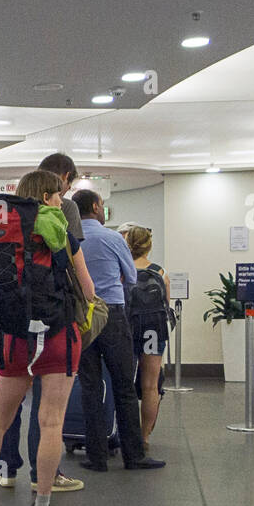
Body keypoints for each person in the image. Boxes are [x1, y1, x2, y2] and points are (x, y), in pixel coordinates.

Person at [0, 170, 93, 506]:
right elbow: (87, 287)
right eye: (58, 195)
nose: (60, 201)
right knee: (51, 422)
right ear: (49, 195)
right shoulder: (53, 221)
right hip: (57, 335)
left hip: (13, 335)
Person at [71, 189, 165, 472]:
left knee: (90, 386)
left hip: (82, 318)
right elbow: (132, 277)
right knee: (124, 386)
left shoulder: (69, 240)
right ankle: (134, 455)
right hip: (112, 315)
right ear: (97, 207)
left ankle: (96, 456)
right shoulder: (113, 238)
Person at [119, 223, 169, 451]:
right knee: (150, 387)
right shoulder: (160, 273)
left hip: (127, 330)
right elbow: (166, 306)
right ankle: (145, 436)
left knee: (124, 384)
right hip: (153, 331)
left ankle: (124, 433)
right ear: (149, 246)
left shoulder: (122, 271)